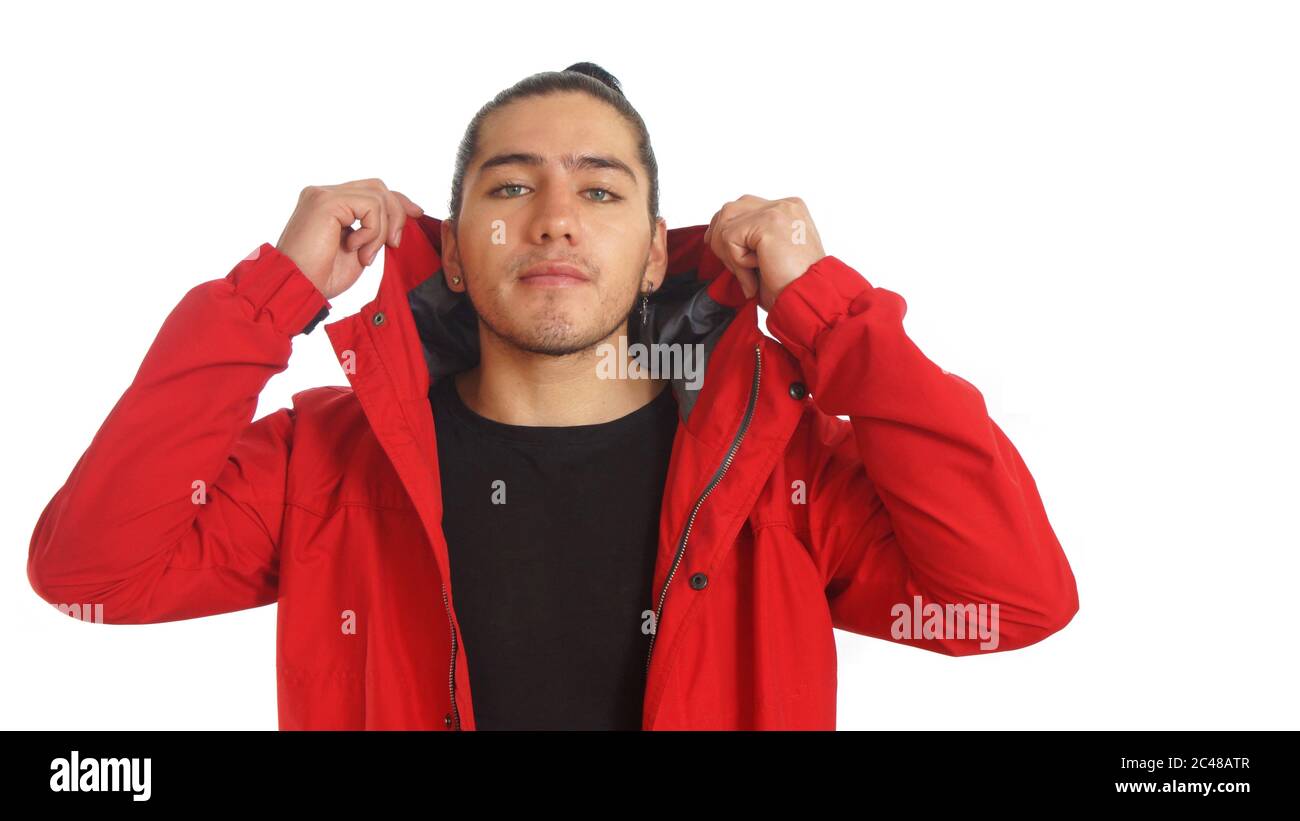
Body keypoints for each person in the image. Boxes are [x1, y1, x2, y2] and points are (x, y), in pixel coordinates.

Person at [28, 62, 1079, 731]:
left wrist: (828, 312)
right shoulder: (323, 463)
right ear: (448, 249)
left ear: (659, 254)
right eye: (512, 185)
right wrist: (275, 293)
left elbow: (1012, 599)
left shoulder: (774, 469)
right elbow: (95, 570)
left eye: (602, 189)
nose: (556, 219)